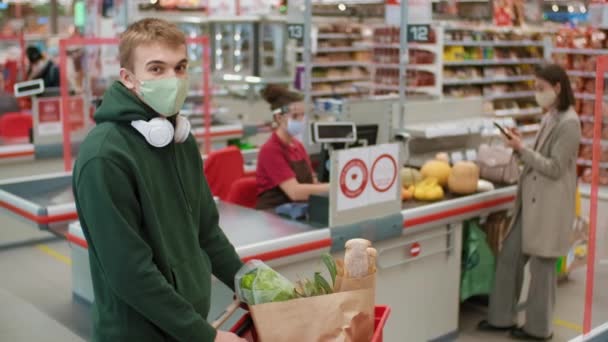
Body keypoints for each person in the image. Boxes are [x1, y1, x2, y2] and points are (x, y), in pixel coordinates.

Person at [73, 19, 245, 342]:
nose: (173, 79)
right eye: (156, 69)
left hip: (187, 323)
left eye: (180, 68)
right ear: (128, 78)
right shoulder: (104, 157)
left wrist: (251, 282)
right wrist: (206, 336)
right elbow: (130, 273)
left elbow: (207, 233)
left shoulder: (180, 139)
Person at [478, 64, 581, 341]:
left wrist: (522, 150)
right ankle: (501, 318)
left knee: (543, 269)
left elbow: (556, 167)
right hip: (530, 201)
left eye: (541, 88)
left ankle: (539, 329)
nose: (537, 94)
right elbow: (539, 155)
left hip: (549, 205)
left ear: (557, 87)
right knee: (510, 255)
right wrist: (521, 145)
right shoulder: (552, 115)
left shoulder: (570, 122)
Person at [256, 85, 329, 210]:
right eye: (295, 116)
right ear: (279, 118)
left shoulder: (297, 146)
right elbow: (295, 192)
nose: (301, 120)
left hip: (298, 211)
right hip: (272, 216)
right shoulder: (271, 150)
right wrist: (334, 187)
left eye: (303, 115)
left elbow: (313, 183)